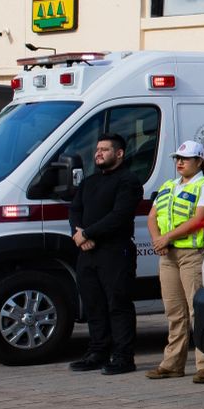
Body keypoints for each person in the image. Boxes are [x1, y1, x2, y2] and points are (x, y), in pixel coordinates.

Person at [146, 141, 204, 384]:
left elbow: (201, 219)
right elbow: (152, 217)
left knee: (197, 311)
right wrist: (158, 240)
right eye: (177, 158)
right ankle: (172, 364)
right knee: (174, 312)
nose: (180, 162)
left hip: (192, 254)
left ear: (199, 161)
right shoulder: (168, 186)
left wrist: (166, 237)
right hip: (168, 255)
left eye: (186, 158)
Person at [68, 133, 143, 375]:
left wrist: (88, 233)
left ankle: (123, 358)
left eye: (105, 149)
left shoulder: (128, 181)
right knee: (94, 305)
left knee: (118, 305)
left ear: (119, 153)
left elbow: (119, 216)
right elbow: (75, 209)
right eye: (97, 149)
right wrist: (78, 234)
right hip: (88, 253)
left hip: (115, 252)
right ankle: (97, 353)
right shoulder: (89, 182)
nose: (98, 153)